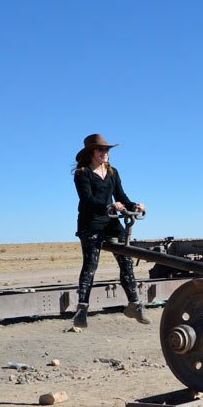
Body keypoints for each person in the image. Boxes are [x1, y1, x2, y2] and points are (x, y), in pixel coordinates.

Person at [71, 133, 150, 329]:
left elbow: (121, 196)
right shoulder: (82, 173)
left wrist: (135, 205)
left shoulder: (113, 172)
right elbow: (87, 200)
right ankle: (82, 311)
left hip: (111, 223)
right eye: (101, 149)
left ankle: (134, 304)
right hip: (91, 223)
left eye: (107, 149)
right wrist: (109, 206)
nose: (105, 152)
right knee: (90, 265)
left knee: (126, 260)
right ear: (91, 153)